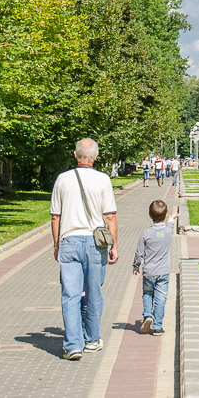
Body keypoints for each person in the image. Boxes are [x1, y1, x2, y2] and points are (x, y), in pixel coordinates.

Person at [51, 138, 118, 361]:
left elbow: (55, 217)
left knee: (70, 295)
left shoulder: (62, 179)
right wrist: (114, 246)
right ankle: (92, 339)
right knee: (93, 292)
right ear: (96, 156)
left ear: (75, 154)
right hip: (94, 243)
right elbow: (110, 216)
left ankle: (72, 345)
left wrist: (57, 244)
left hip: (69, 241)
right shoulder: (102, 180)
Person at [133, 199, 179, 336]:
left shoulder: (146, 234)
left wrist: (136, 266)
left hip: (148, 272)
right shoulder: (168, 232)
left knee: (147, 294)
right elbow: (170, 224)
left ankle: (147, 315)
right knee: (160, 298)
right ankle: (158, 326)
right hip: (163, 272)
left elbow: (139, 253)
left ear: (150, 215)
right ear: (165, 215)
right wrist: (171, 218)